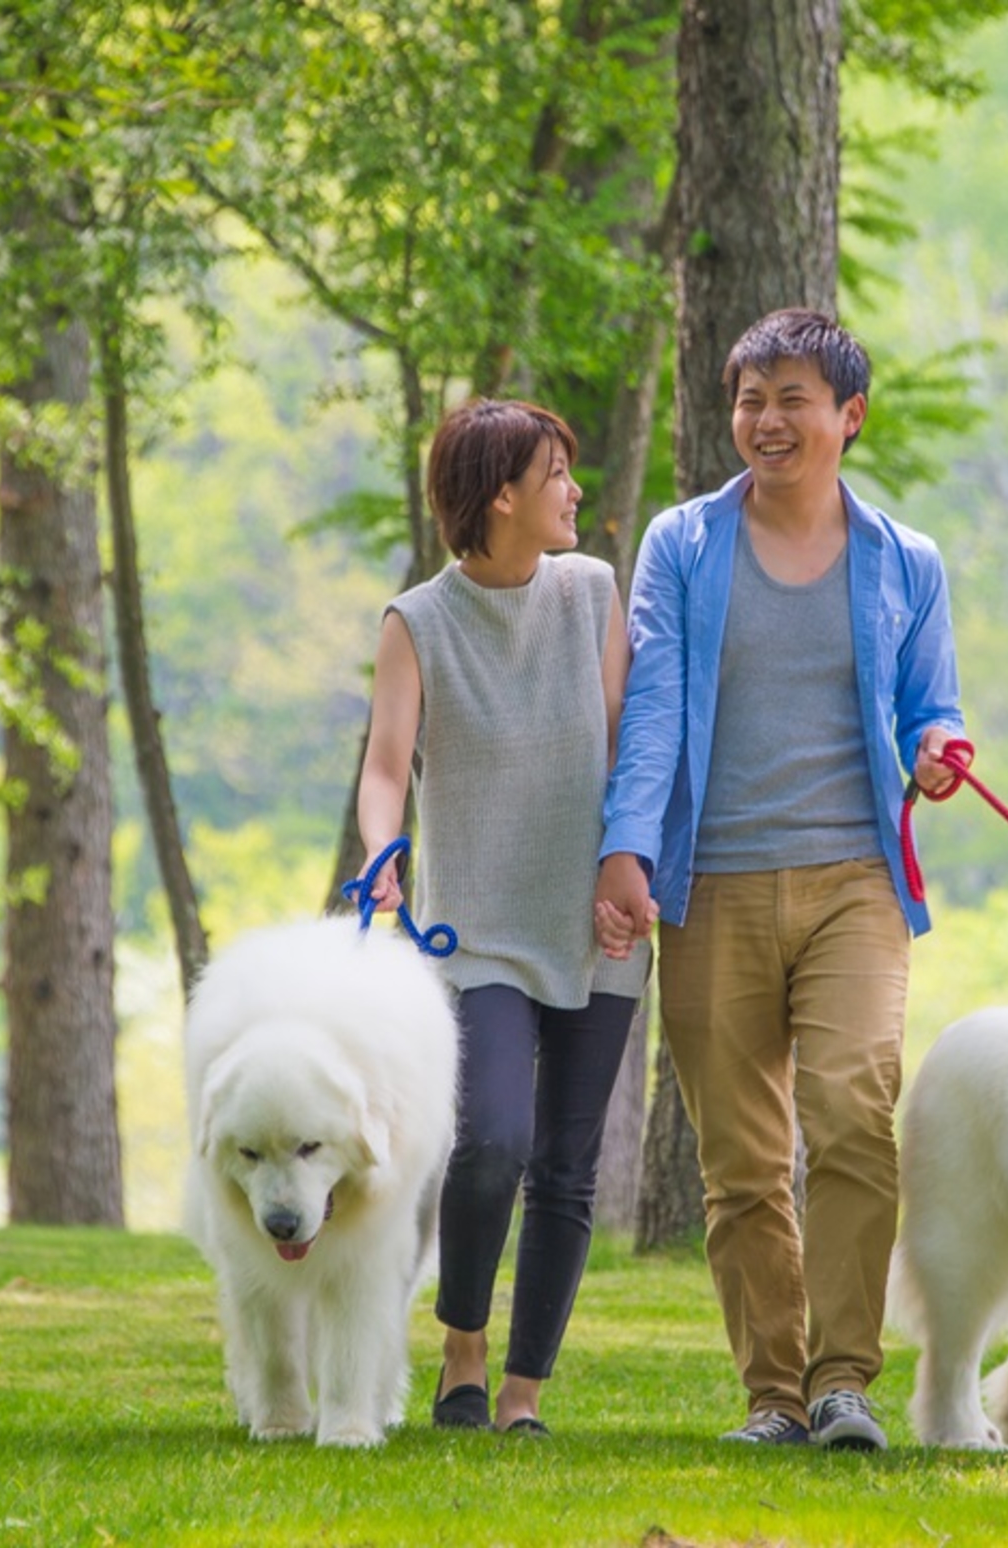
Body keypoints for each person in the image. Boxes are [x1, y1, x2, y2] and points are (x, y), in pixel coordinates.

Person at [593, 309, 964, 1451]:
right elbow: (652, 706)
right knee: (744, 1161)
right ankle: (772, 1397)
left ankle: (845, 1381)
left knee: (854, 1112)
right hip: (714, 884)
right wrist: (627, 847)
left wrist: (944, 744)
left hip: (856, 880)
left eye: (792, 399)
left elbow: (930, 699)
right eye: (750, 399)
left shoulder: (905, 559)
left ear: (848, 417)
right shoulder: (684, 546)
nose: (766, 420)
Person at [356, 398, 648, 1438]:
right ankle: (463, 1345)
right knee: (492, 1142)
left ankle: (523, 1393)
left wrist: (631, 873)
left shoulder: (591, 592)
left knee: (568, 1163)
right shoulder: (417, 622)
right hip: (474, 923)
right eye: (556, 473)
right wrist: (382, 854)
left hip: (594, 920)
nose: (575, 491)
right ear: (501, 497)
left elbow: (628, 741)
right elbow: (387, 766)